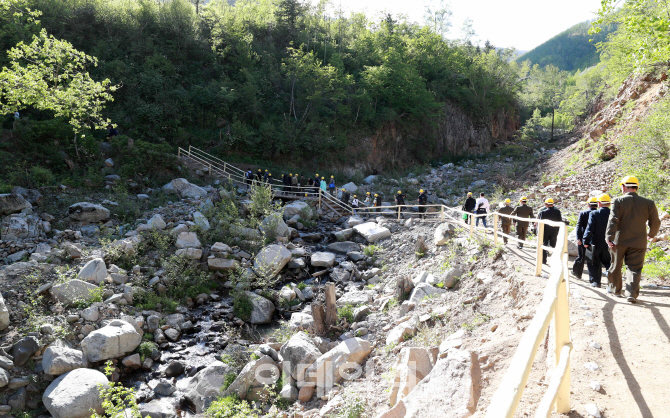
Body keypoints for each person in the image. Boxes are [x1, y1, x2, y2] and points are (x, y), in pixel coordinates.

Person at [606, 176, 660, 302]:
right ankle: (631, 294)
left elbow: (613, 220)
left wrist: (609, 236)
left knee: (615, 265)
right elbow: (656, 222)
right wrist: (651, 235)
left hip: (619, 241)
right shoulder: (649, 203)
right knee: (635, 268)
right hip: (639, 241)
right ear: (637, 187)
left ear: (623, 187)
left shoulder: (618, 201)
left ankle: (616, 291)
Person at [582, 195, 612, 288]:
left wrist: (585, 241)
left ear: (599, 203)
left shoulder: (594, 214)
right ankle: (610, 278)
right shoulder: (613, 213)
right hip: (609, 243)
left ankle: (595, 282)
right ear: (610, 203)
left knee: (593, 262)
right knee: (608, 262)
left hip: (595, 243)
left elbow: (590, 228)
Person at [573, 197, 599, 279]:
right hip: (595, 239)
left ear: (588, 204)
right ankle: (594, 278)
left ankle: (577, 273)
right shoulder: (599, 213)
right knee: (594, 259)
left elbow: (578, 226)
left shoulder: (583, 213)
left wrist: (578, 238)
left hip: (583, 239)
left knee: (581, 256)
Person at [537, 198, 563, 264]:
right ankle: (556, 261)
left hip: (545, 232)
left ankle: (543, 261)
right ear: (553, 204)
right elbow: (560, 221)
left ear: (546, 204)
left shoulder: (543, 212)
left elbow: (540, 223)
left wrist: (538, 232)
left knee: (544, 246)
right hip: (554, 232)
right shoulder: (557, 212)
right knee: (554, 246)